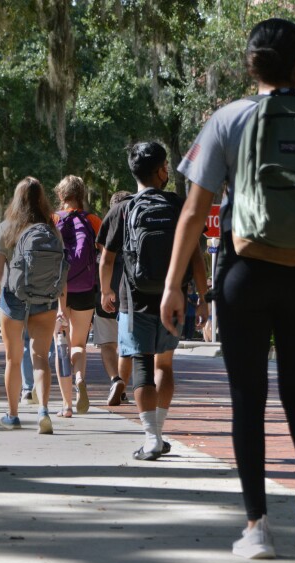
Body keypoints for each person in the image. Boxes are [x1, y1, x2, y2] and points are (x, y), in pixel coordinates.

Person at [160, 18, 295, 559]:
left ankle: (256, 525)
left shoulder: (227, 119)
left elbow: (194, 212)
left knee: (247, 399)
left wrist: (172, 287)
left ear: (250, 65)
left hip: (244, 273)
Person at [99, 141, 208, 462]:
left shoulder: (123, 209)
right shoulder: (178, 205)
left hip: (134, 299)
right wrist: (203, 299)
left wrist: (106, 290)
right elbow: (197, 258)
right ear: (161, 170)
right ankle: (158, 432)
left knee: (143, 364)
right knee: (164, 364)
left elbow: (106, 258)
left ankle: (151, 438)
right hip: (173, 296)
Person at [0, 176, 63, 434]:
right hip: (46, 299)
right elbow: (61, 269)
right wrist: (62, 305)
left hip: (12, 298)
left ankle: (13, 415)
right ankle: (43, 412)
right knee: (41, 358)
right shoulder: (51, 229)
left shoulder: (6, 228)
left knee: (13, 359)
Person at [53, 175, 102, 416]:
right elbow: (107, 254)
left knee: (61, 344)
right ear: (82, 194)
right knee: (79, 344)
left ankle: (67, 405)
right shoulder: (92, 221)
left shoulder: (52, 219)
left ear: (60, 195)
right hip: (85, 288)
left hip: (57, 290)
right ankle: (80, 378)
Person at [95, 190, 132, 406]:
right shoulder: (140, 220)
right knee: (129, 346)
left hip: (107, 293)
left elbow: (103, 260)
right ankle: (125, 385)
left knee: (107, 344)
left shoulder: (108, 223)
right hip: (134, 295)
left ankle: (116, 380)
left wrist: (104, 290)